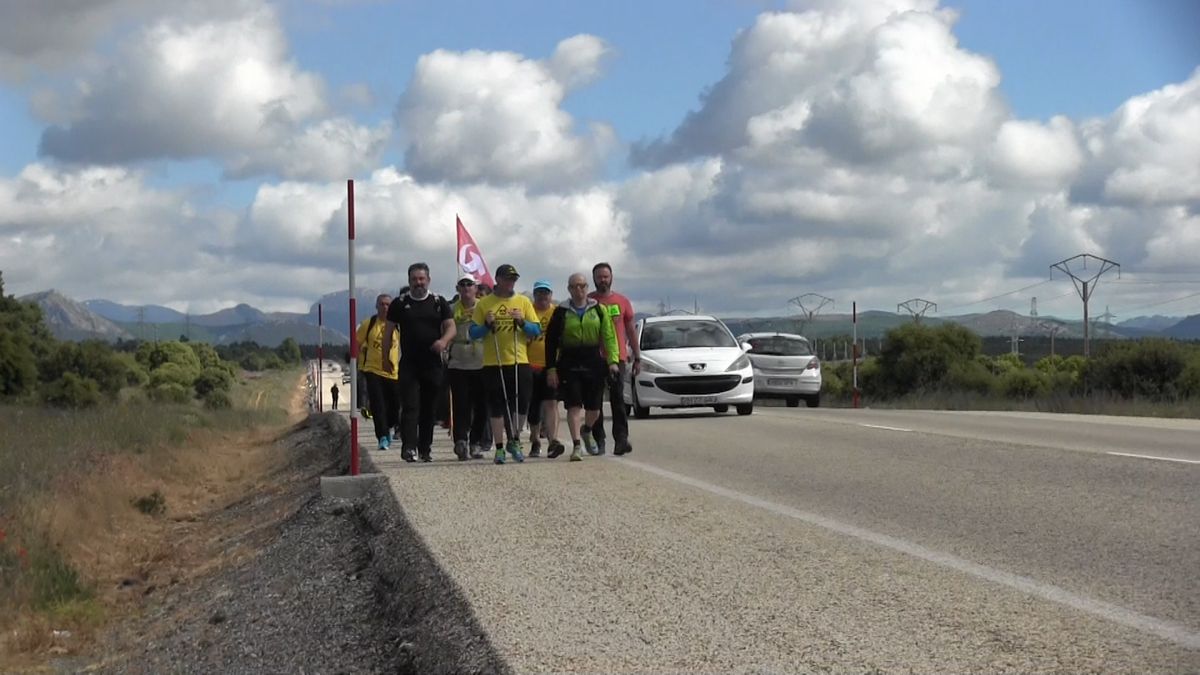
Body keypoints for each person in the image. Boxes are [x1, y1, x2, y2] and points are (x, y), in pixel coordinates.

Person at [383, 264, 455, 463]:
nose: (418, 283)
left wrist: (443, 341)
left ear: (428, 280)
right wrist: (385, 358)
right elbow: (388, 334)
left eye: (421, 279)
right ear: (409, 281)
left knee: (429, 408)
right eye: (414, 279)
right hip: (408, 364)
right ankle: (409, 448)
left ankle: (425, 448)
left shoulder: (439, 302)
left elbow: (451, 327)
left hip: (432, 364)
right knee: (410, 406)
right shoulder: (399, 303)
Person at [469, 264, 540, 464]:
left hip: (519, 360)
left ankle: (515, 439)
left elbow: (535, 330)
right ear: (498, 279)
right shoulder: (484, 303)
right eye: (507, 278)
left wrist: (522, 323)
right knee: (496, 406)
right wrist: (486, 326)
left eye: (513, 279)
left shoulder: (523, 302)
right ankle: (499, 447)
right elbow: (473, 333)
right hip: (494, 362)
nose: (511, 283)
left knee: (521, 404)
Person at [545, 273, 619, 460]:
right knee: (574, 405)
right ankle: (577, 445)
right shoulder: (560, 312)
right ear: (569, 289)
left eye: (582, 286)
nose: (579, 290)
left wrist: (613, 362)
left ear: (587, 288)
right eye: (575, 286)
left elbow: (609, 337)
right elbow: (551, 342)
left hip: (593, 360)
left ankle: (587, 430)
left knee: (594, 407)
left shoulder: (599, 310)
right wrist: (551, 368)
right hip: (569, 361)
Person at [589, 262, 640, 455]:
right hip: (594, 358)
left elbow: (631, 331)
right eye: (599, 277)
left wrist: (637, 357)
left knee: (618, 400)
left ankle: (621, 440)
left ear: (611, 278)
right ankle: (598, 440)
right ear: (594, 279)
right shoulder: (589, 301)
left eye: (606, 276)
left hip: (617, 357)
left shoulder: (622, 301)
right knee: (594, 401)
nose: (603, 280)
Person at [447, 275, 489, 460]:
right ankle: (461, 441)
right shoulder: (451, 309)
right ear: (457, 288)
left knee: (482, 406)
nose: (466, 288)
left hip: (481, 360)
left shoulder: (484, 306)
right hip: (458, 361)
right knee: (460, 404)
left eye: (469, 284)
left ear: (475, 287)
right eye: (462, 285)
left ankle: (476, 442)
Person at [356, 294, 401, 452]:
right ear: (376, 306)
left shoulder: (398, 325)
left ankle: (388, 426)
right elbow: (356, 343)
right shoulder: (369, 324)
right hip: (372, 369)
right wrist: (354, 360)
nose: (385, 307)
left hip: (393, 372)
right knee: (378, 405)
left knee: (394, 407)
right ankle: (382, 436)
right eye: (381, 304)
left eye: (388, 304)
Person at [526, 279, 564, 458]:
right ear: (535, 294)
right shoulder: (528, 311)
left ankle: (553, 441)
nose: (543, 296)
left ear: (551, 295)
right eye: (539, 292)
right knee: (533, 408)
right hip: (530, 366)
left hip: (550, 367)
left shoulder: (556, 313)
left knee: (551, 403)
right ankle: (534, 439)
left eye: (546, 292)